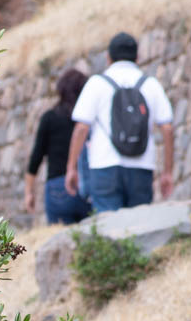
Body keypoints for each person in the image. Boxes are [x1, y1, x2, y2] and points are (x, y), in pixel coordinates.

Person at [66, 32, 174, 210]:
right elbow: (167, 128)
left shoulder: (97, 83)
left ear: (108, 58)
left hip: (104, 165)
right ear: (137, 57)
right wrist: (167, 172)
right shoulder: (151, 84)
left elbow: (81, 128)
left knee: (108, 230)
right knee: (139, 227)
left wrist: (71, 168)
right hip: (142, 165)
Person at [23, 69, 94, 224]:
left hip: (58, 187)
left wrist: (29, 192)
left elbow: (36, 157)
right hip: (87, 183)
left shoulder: (50, 117)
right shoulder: (88, 119)